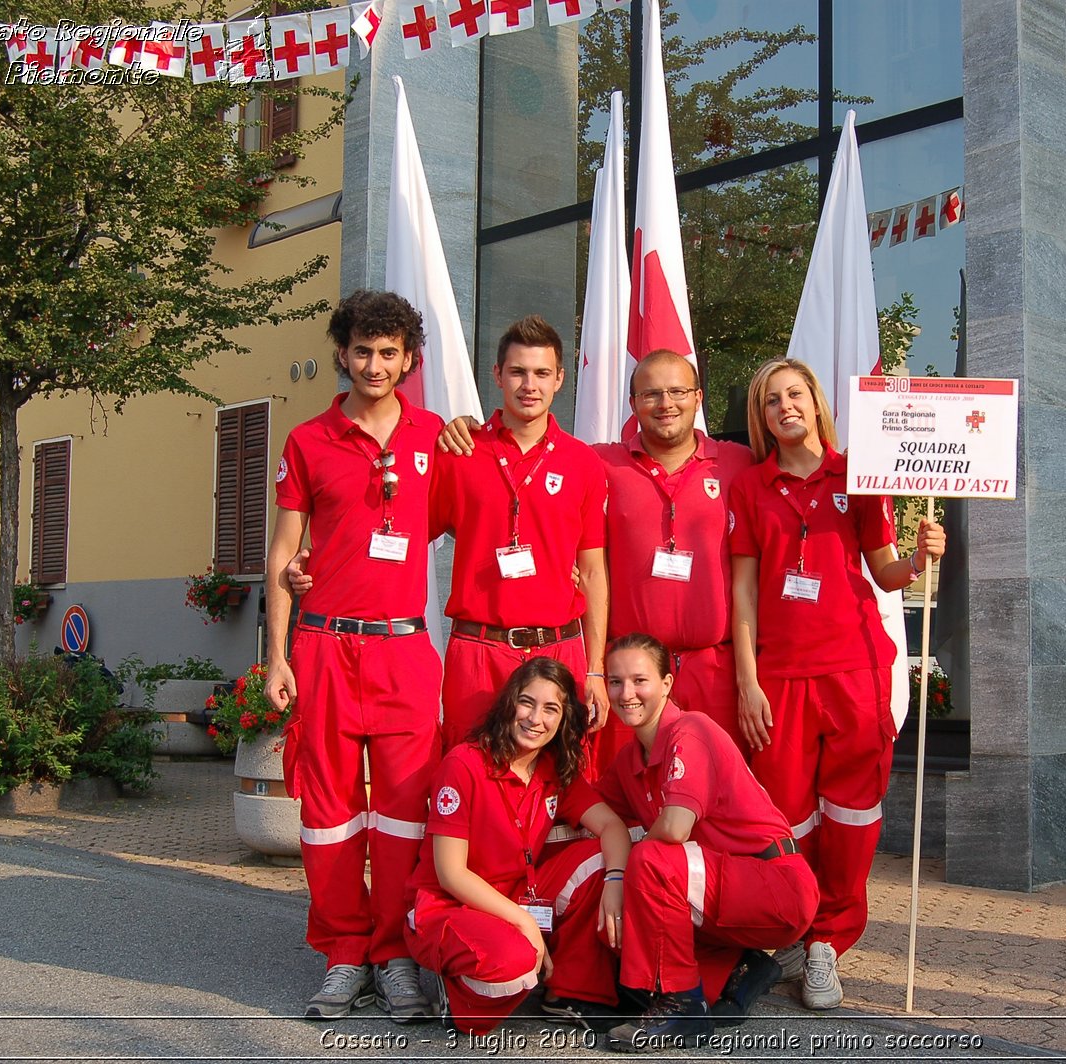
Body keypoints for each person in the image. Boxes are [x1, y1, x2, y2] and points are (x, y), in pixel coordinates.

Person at [729, 358, 945, 1010]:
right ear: (762, 419)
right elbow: (742, 595)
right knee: (786, 820)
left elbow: (885, 573)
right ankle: (795, 925)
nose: (784, 407)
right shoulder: (749, 487)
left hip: (855, 673)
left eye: (794, 394)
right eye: (771, 402)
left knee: (852, 820)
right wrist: (747, 681)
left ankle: (827, 944)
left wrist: (919, 553)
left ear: (816, 402)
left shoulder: (862, 473)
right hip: (781, 679)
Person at [264, 290, 442, 1022]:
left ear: (409, 359)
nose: (375, 364)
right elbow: (282, 554)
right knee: (329, 812)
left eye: (389, 352)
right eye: (363, 350)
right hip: (325, 646)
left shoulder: (438, 437)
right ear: (343, 353)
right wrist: (277, 657)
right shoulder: (308, 440)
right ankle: (343, 952)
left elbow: (496, 511)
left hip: (404, 646)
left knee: (403, 812)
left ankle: (394, 953)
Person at [437, 349, 753, 759]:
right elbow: (536, 496)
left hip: (713, 670)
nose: (666, 404)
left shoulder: (738, 463)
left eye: (678, 391)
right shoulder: (599, 462)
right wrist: (464, 430)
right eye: (651, 393)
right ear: (632, 403)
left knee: (714, 790)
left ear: (698, 397)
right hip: (625, 673)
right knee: (619, 794)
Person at [596, 633, 819, 1051]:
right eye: (615, 681)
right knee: (628, 961)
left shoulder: (690, 729)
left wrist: (619, 872)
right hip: (719, 891)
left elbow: (676, 828)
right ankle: (740, 970)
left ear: (667, 683)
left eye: (639, 680)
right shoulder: (629, 760)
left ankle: (680, 1006)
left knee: (651, 859)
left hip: (776, 882)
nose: (626, 694)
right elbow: (590, 814)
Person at [406, 657, 631, 1035]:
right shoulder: (464, 764)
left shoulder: (554, 766)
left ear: (563, 719)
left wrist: (616, 879)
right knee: (515, 960)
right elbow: (450, 873)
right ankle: (461, 995)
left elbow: (611, 827)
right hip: (451, 905)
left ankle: (568, 993)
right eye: (527, 702)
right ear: (509, 703)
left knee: (598, 859)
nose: (535, 718)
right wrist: (524, 921)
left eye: (551, 709)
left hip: (516, 896)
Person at [426, 315, 611, 764]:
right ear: (497, 375)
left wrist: (595, 668)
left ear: (560, 379)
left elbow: (591, 571)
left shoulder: (583, 463)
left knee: (562, 782)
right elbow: (410, 535)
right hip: (479, 650)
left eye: (542, 373)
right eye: (518, 372)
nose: (530, 385)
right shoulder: (459, 452)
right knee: (470, 774)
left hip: (559, 648)